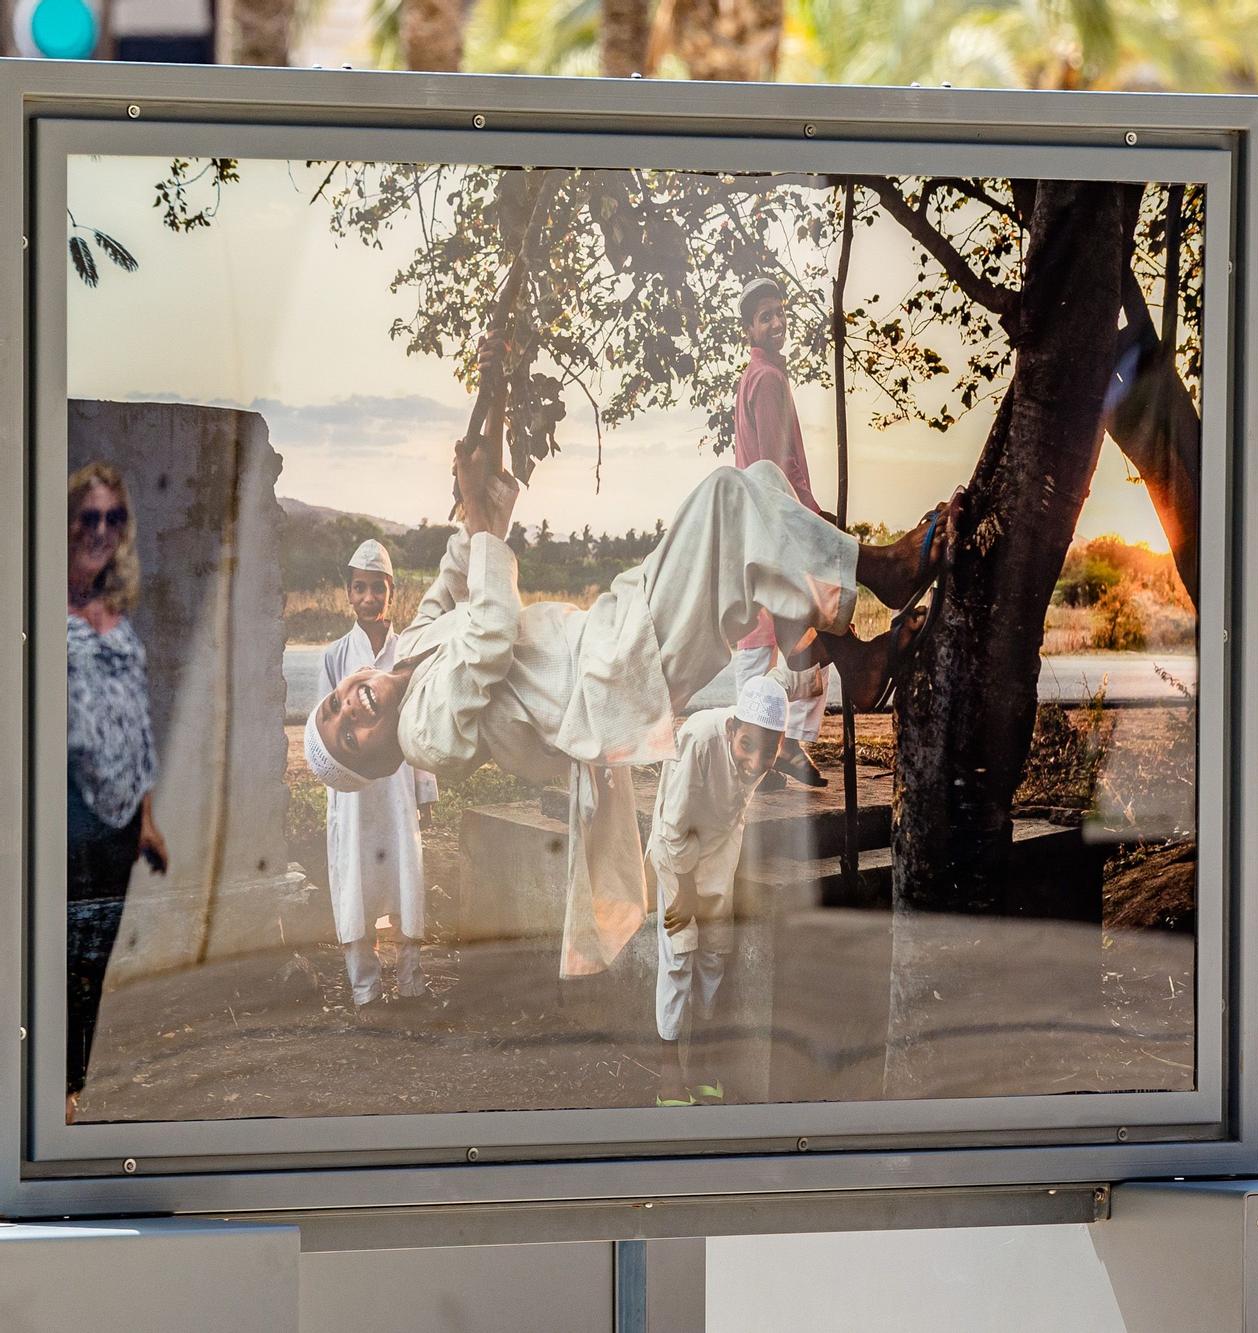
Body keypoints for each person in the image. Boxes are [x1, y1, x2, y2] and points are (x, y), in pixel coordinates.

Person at [303, 338, 957, 979]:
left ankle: (852, 659)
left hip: (611, 638)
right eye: (350, 733)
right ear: (377, 756)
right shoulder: (425, 737)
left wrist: (494, 390)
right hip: (617, 682)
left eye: (334, 704)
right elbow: (488, 630)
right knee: (730, 498)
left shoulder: (407, 644)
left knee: (762, 480)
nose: (350, 706)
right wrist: (482, 525)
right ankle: (887, 571)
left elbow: (462, 554)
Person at [65, 462, 169, 1123]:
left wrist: (148, 819)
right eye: (90, 516)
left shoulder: (114, 613)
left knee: (93, 960)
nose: (101, 530)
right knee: (57, 953)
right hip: (68, 811)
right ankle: (41, 1102)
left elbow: (138, 717)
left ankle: (68, 1091)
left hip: (121, 818)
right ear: (68, 521)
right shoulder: (39, 606)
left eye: (115, 518)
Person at [650, 675, 787, 1106]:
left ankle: (704, 1064)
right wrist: (685, 891)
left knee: (712, 956)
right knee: (679, 956)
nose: (755, 761)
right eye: (748, 745)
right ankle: (669, 1079)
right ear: (731, 730)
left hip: (719, 856)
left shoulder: (758, 755)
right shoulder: (698, 739)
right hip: (679, 856)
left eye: (769, 750)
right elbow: (674, 827)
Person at [317, 538, 439, 1019]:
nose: (369, 598)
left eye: (378, 589)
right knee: (355, 878)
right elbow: (324, 731)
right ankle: (365, 990)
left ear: (393, 592)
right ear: (348, 594)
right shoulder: (333, 656)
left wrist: (424, 788)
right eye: (360, 588)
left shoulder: (408, 653)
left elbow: (422, 723)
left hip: (398, 786)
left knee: (406, 874)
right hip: (351, 790)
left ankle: (412, 983)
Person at [730, 276, 831, 792]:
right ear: (749, 328)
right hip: (780, 522)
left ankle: (758, 749)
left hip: (759, 523)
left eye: (780, 313)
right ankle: (786, 744)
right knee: (812, 633)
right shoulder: (768, 380)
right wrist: (811, 517)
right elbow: (773, 466)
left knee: (760, 639)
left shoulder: (755, 376)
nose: (777, 323)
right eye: (765, 316)